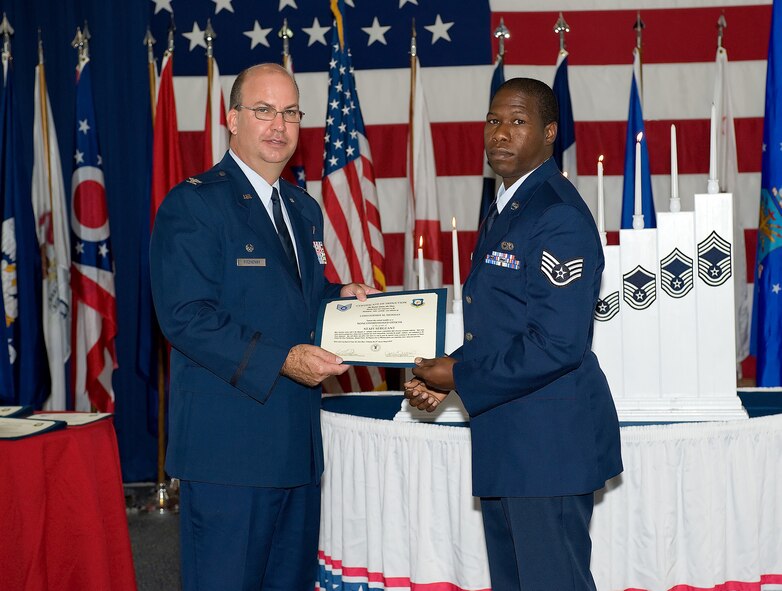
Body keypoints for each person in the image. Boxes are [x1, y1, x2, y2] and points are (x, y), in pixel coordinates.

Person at [150, 63, 376, 591]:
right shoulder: (195, 204)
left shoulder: (302, 208)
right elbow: (186, 318)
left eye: (290, 112)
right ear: (232, 119)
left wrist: (340, 299)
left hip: (296, 446)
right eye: (263, 110)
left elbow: (295, 300)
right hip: (230, 451)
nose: (279, 124)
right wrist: (283, 359)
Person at [404, 77, 623, 591]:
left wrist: (459, 372)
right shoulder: (508, 205)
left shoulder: (557, 214)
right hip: (510, 440)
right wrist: (447, 373)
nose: (500, 133)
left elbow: (557, 342)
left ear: (549, 133)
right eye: (493, 120)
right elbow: (502, 326)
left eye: (517, 121)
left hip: (548, 446)